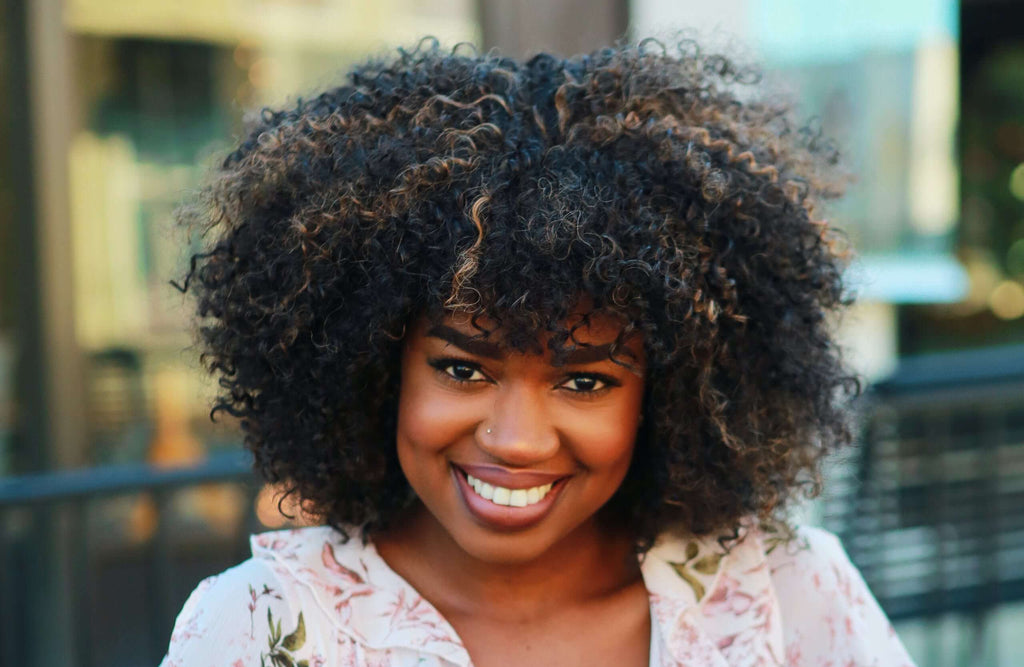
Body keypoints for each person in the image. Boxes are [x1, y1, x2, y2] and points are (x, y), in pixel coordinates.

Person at [161, 38, 916, 667]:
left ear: (669, 394)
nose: (516, 439)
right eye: (462, 368)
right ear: (372, 363)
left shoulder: (789, 597)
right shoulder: (261, 628)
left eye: (584, 381)